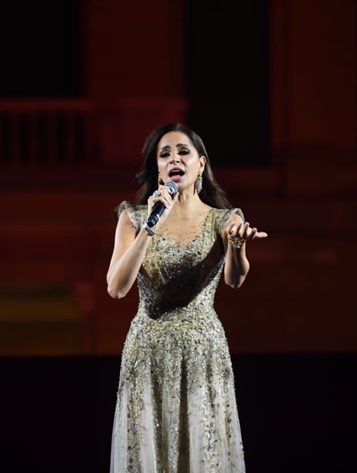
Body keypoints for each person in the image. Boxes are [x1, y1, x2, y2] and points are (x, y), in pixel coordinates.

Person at [106, 123, 268, 472]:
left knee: (201, 450)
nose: (174, 159)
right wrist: (149, 227)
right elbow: (116, 288)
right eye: (164, 154)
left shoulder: (223, 219)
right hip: (147, 351)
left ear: (201, 164)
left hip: (201, 353)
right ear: (158, 169)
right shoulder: (133, 218)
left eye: (183, 152)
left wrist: (237, 246)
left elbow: (235, 280)